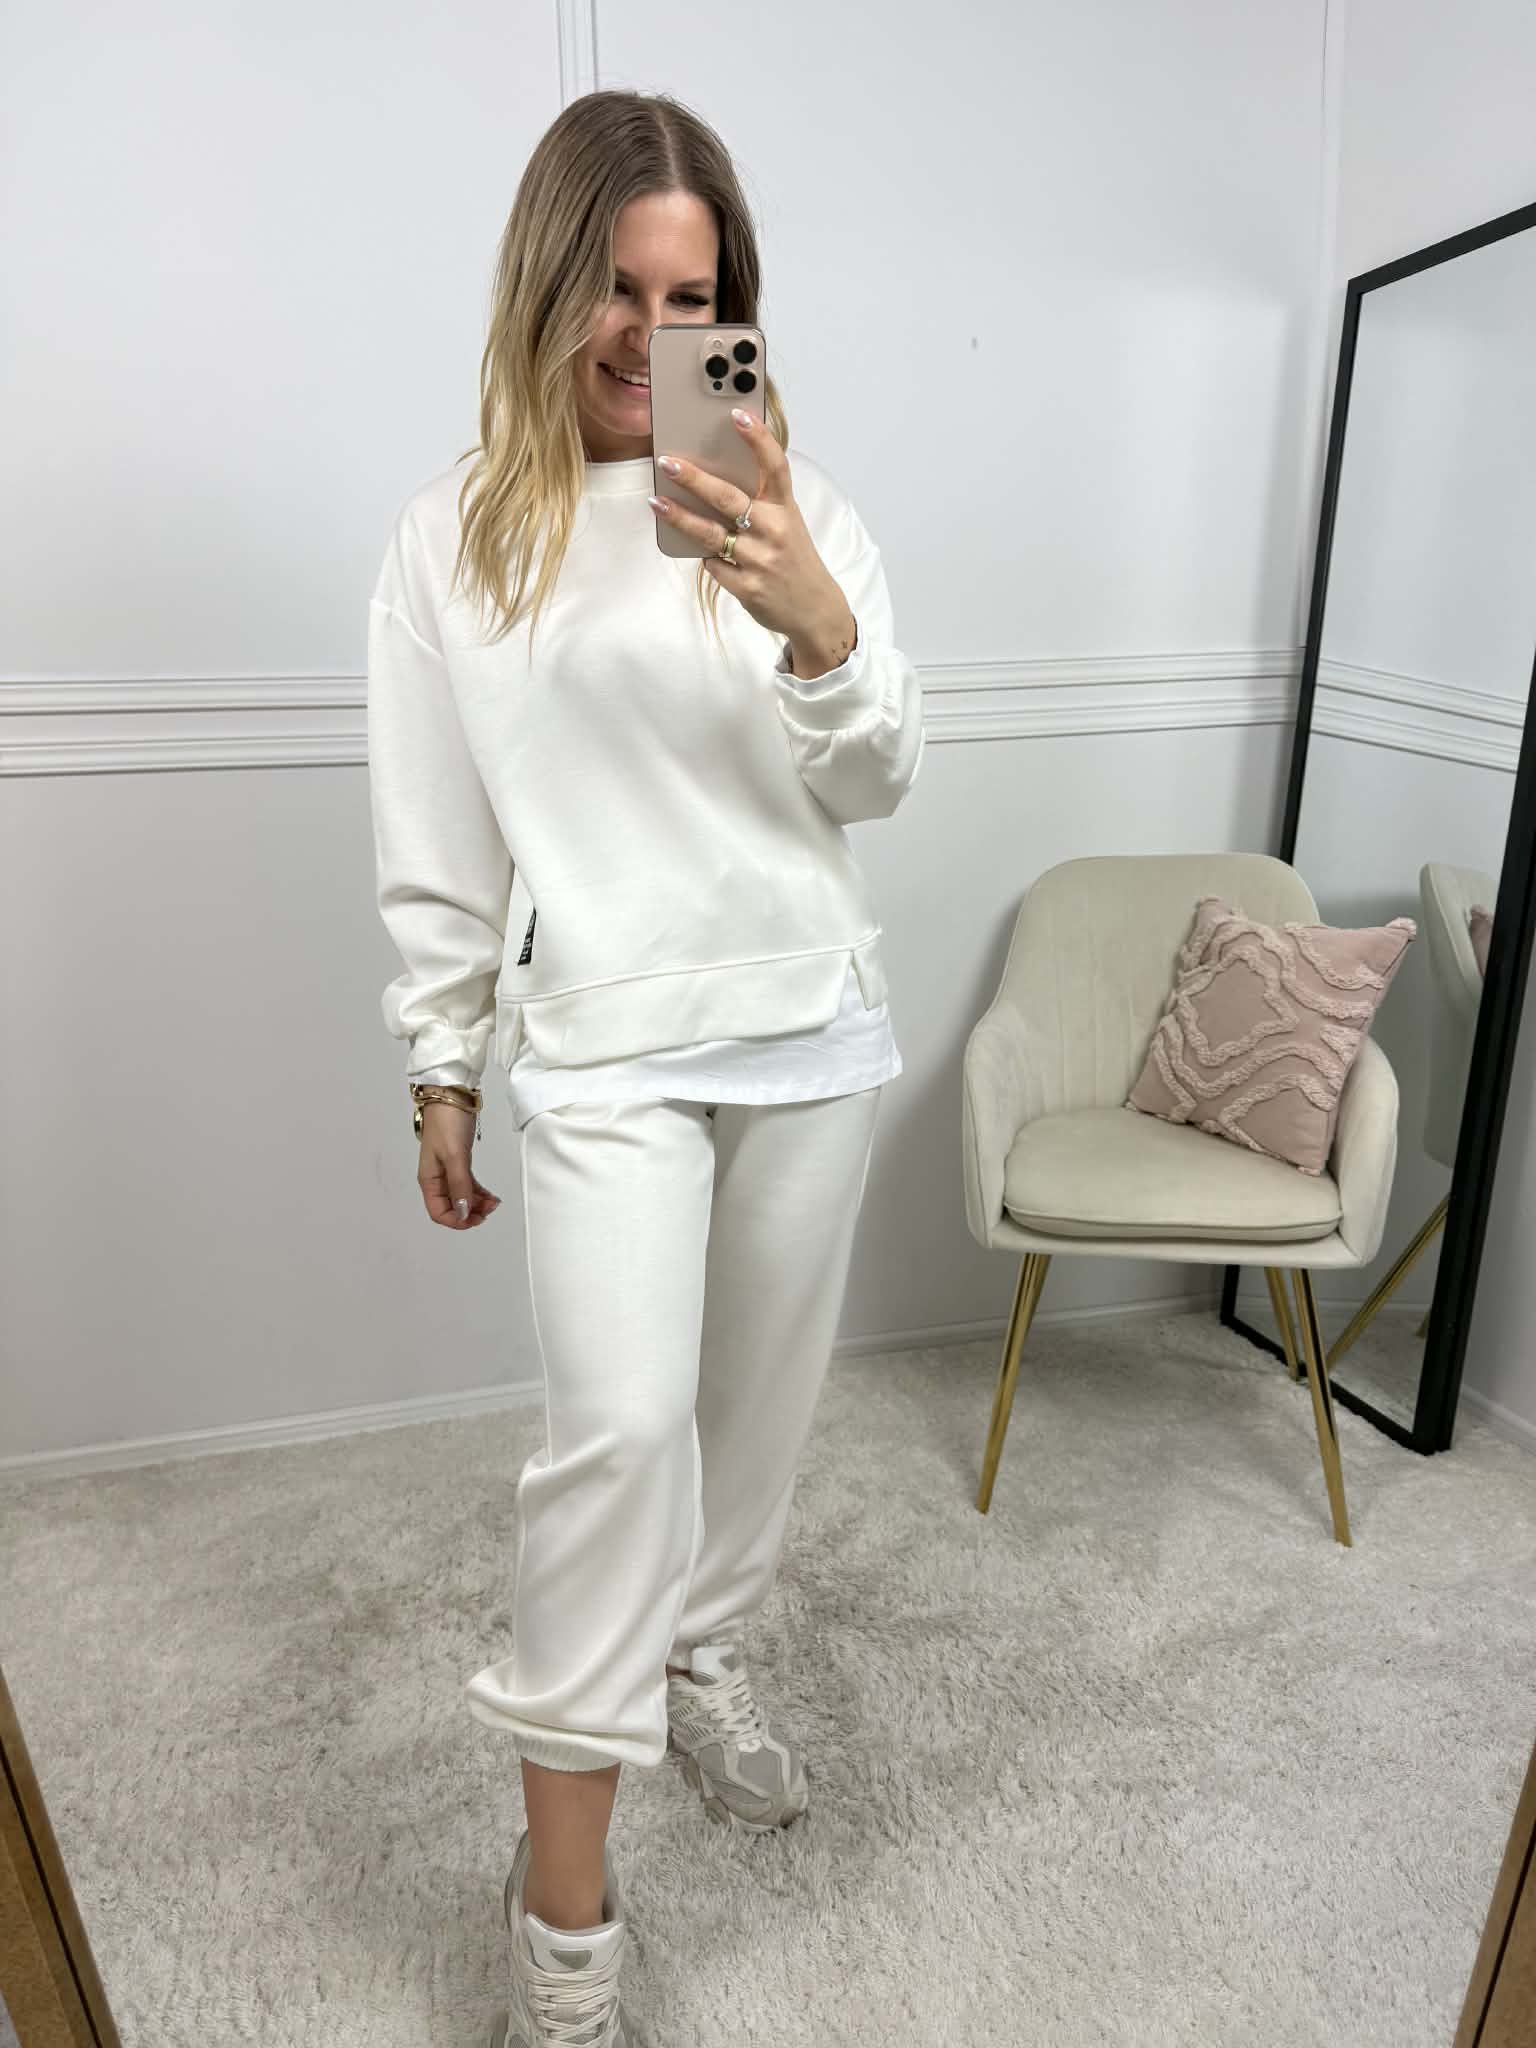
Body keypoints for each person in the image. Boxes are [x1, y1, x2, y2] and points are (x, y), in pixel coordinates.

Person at [366, 88, 925, 2048]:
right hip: (605, 1045)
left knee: (749, 1431)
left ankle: (702, 1651)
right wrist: (443, 1061)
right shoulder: (455, 539)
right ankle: (566, 1928)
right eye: (620, 285)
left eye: (695, 298)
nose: (652, 333)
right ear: (548, 277)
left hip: (808, 1030)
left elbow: (878, 780)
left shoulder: (792, 501)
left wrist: (817, 623)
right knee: (615, 1442)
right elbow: (439, 839)